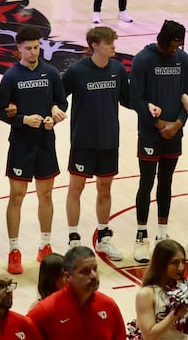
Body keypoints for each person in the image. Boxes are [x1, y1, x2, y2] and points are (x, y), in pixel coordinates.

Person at [0, 26, 68, 274]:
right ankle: (14, 250)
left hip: (46, 142)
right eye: (28, 48)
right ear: (19, 49)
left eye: (36, 47)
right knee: (17, 196)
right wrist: (23, 119)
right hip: (21, 145)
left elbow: (61, 102)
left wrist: (55, 114)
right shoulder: (11, 76)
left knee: (45, 195)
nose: (34, 52)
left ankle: (45, 246)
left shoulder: (51, 73)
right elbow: (0, 111)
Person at [129, 21, 188, 262]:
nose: (175, 50)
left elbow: (187, 95)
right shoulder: (143, 59)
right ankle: (141, 235)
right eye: (172, 45)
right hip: (151, 133)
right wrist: (160, 125)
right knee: (146, 183)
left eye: (179, 45)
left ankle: (161, 234)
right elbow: (135, 99)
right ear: (162, 41)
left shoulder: (183, 59)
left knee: (166, 183)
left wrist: (178, 124)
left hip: (174, 132)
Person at [61, 27, 131, 258]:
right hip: (83, 141)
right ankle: (73, 239)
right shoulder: (76, 71)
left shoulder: (118, 69)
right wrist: (52, 110)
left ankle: (103, 237)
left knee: (105, 188)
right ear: (94, 45)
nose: (114, 46)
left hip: (109, 140)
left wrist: (151, 102)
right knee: (76, 188)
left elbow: (128, 99)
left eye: (113, 41)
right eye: (109, 42)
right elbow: (59, 97)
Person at [27, 247, 126, 340]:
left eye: (95, 269)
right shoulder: (44, 311)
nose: (93, 275)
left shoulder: (109, 305)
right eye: (85, 271)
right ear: (67, 277)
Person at [134, 239, 188, 340]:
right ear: (161, 264)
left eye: (183, 261)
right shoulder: (146, 294)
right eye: (175, 263)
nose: (180, 267)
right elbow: (149, 336)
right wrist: (175, 314)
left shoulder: (185, 289)